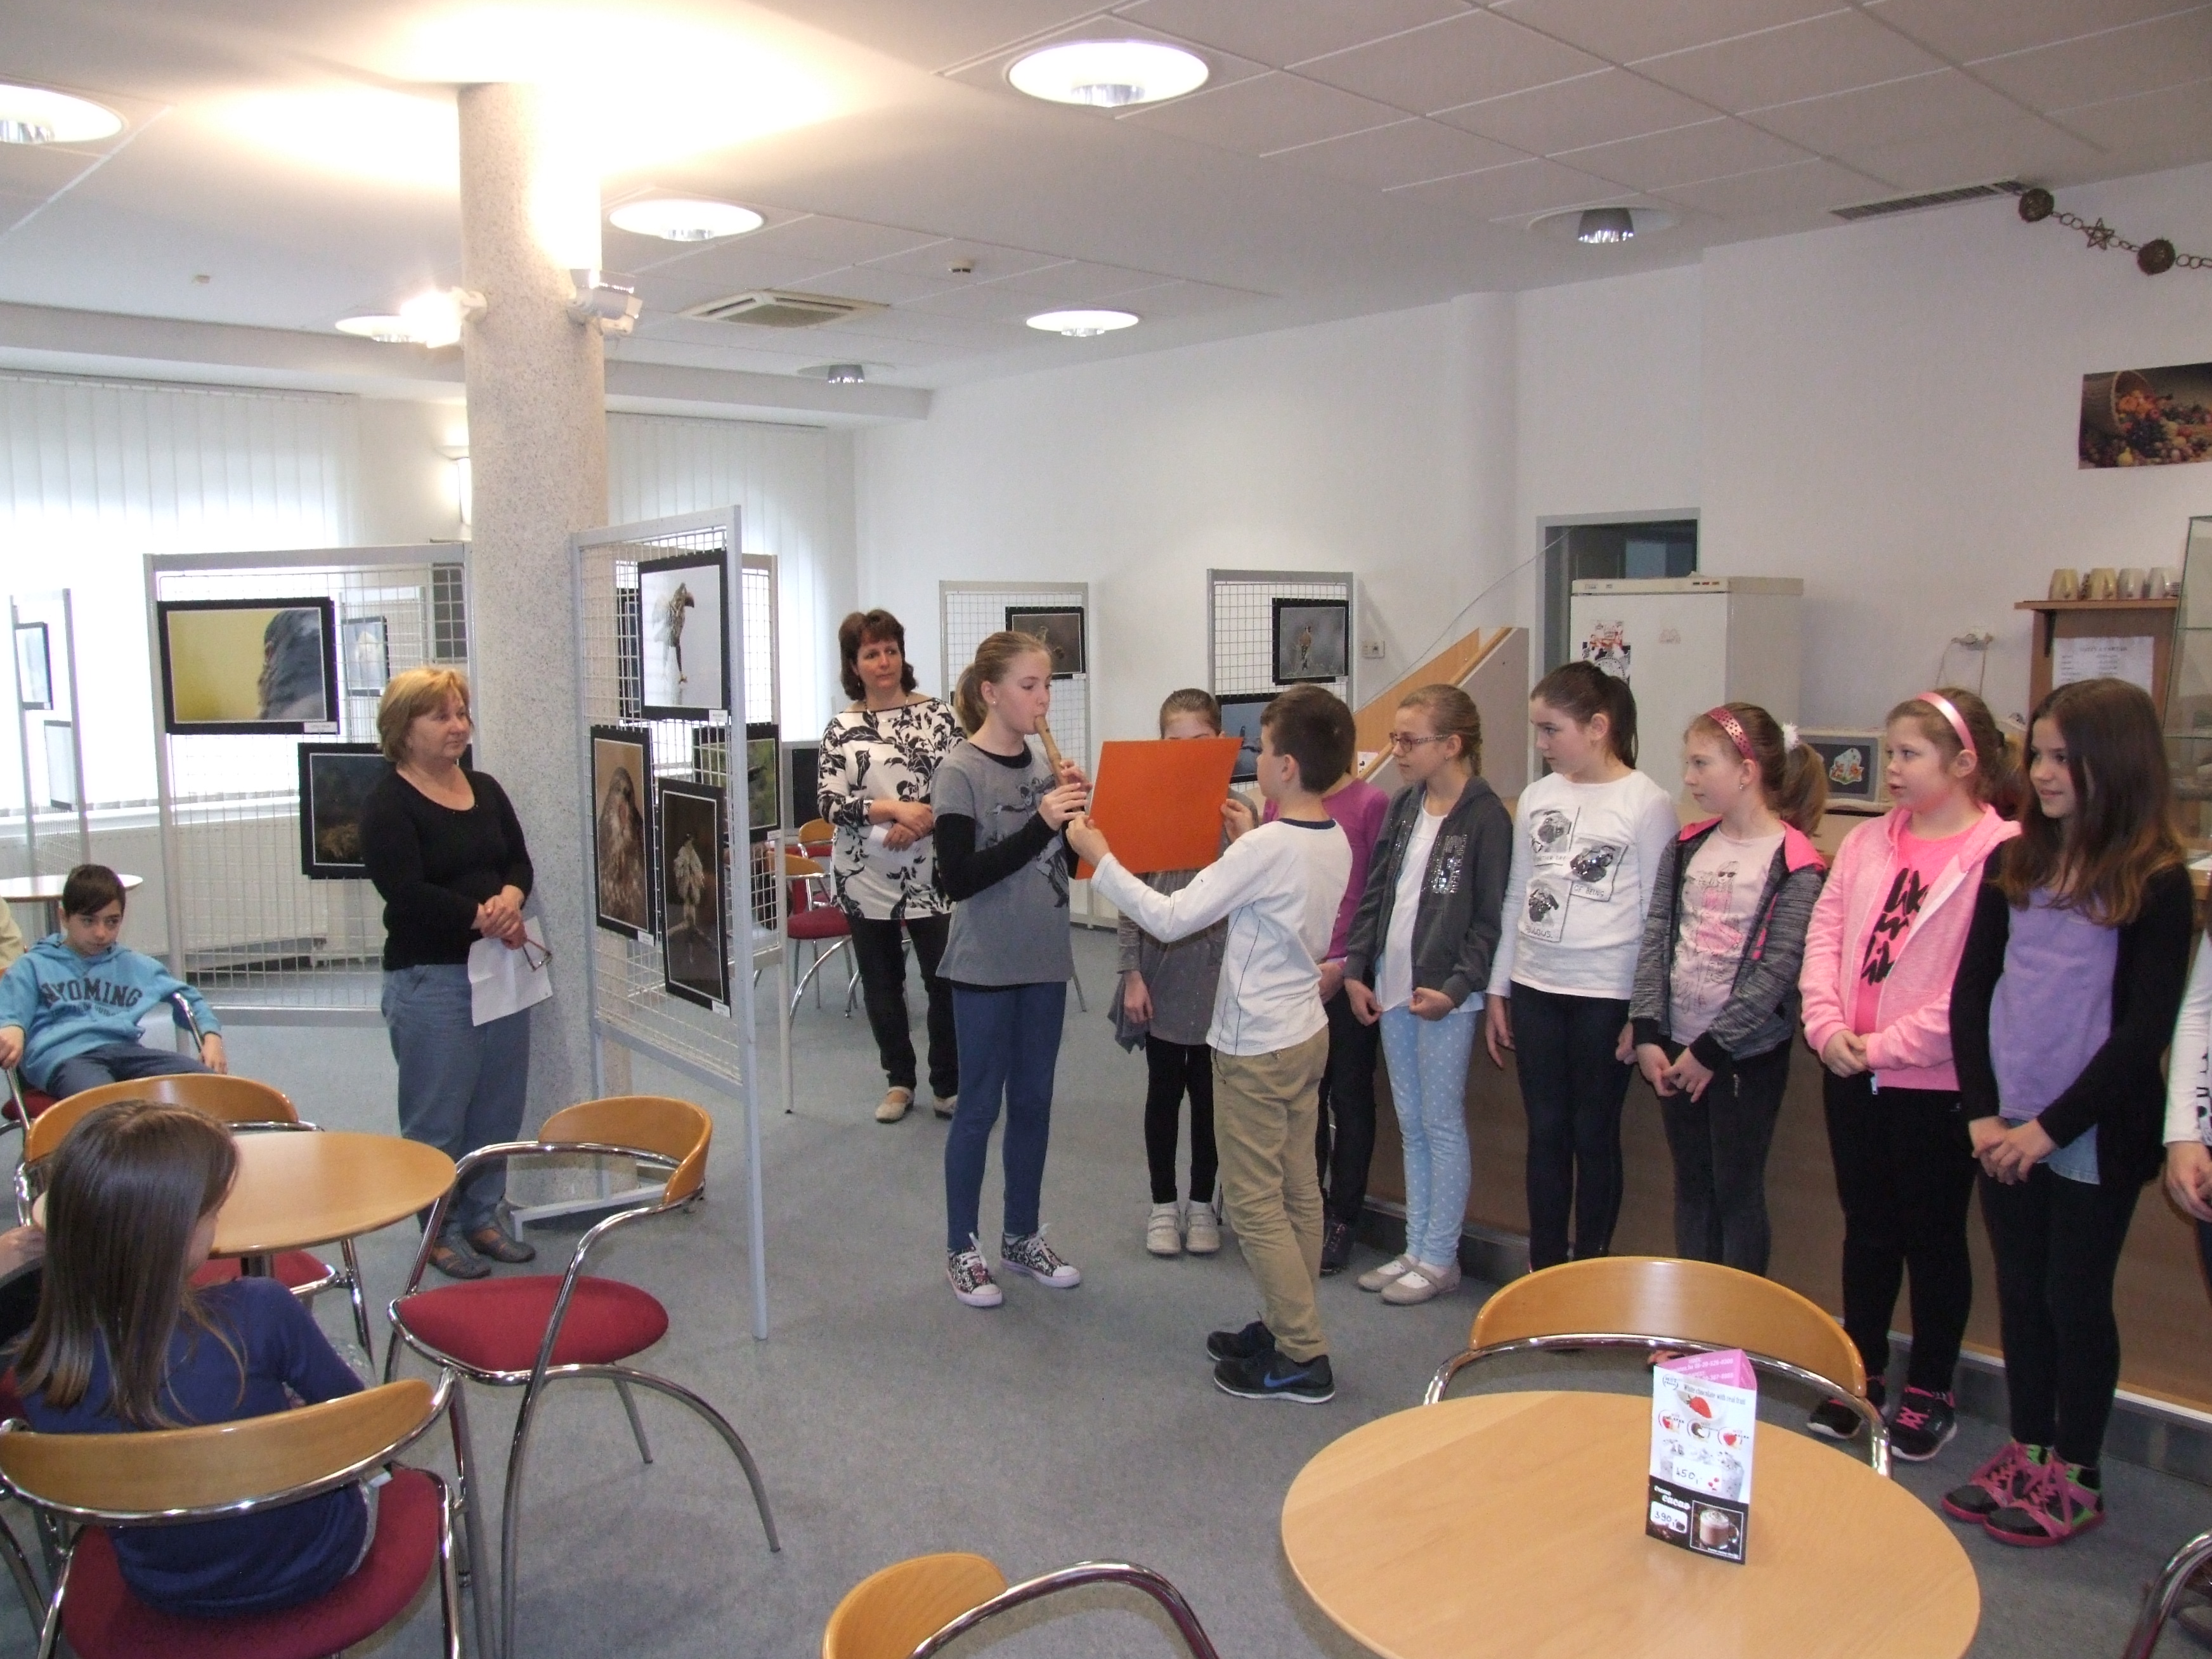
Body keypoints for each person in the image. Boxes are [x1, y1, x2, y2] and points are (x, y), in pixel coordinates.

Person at [1944, 677, 2192, 1547]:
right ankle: (2029, 1447)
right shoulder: (2014, 861)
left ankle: (2077, 1473)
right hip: (2003, 1121)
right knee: (2020, 1292)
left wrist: (2047, 1131)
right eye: (2038, 756)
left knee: (2072, 1298)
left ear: (2112, 764)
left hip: (2088, 1131)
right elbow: (1972, 992)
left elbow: (2142, 1034)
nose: (2042, 774)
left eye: (2062, 759)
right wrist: (1982, 1115)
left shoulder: (2156, 880)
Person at [1072, 685, 1354, 1403]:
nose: (1252, 757)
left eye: (1263, 749)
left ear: (1286, 767)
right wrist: (1248, 835)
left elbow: (1171, 917)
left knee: (1255, 1206)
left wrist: (1102, 860)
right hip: (1303, 1034)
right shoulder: (1329, 836)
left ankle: (1302, 1353)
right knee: (1298, 1190)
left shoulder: (1265, 845)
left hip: (1257, 1047)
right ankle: (1287, 1321)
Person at [16, 1102, 371, 1617]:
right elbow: (357, 1423)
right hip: (317, 1555)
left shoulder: (40, 1367)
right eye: (211, 1213)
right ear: (174, 1234)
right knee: (343, 1367)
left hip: (162, 1585)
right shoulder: (262, 1309)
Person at [1796, 688, 2018, 1457]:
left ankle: (1930, 1384)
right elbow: (1825, 935)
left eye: (1908, 754)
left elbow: (1975, 986)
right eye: (1888, 752)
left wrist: (1886, 1045)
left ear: (1963, 764)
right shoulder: (1866, 842)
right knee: (1866, 1230)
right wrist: (1825, 1026)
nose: (1890, 768)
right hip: (1848, 1068)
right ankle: (1859, 1372)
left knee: (1931, 1237)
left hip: (1934, 1083)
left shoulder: (1999, 853)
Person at [1484, 662, 1674, 1273]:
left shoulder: (1647, 802)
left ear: (1597, 727)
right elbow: (1518, 895)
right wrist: (1499, 987)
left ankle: (1590, 1270)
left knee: (1594, 1135)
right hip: (1536, 984)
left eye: (1551, 730)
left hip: (1606, 994)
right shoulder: (1538, 798)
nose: (1541, 744)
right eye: (1537, 730)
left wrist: (1644, 1013)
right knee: (1546, 1132)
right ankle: (1543, 1271)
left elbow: (1656, 916)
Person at [1630, 704, 1826, 1276]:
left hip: (1741, 1057)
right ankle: (1695, 1315)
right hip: (1677, 1048)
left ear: (1746, 771)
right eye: (1688, 764)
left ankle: (1736, 1321)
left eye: (1701, 764)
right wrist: (1648, 1032)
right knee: (1692, 1187)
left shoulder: (1796, 862)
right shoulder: (1687, 846)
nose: (1688, 778)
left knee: (1737, 1191)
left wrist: (1712, 1051)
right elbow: (1658, 937)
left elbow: (1777, 971)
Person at [359, 667, 536, 1283]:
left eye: (461, 713)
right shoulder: (387, 804)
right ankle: (439, 1230)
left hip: (500, 971)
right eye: (441, 716)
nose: (458, 726)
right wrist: (482, 917)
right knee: (437, 1118)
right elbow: (404, 892)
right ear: (402, 729)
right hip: (431, 980)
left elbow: (518, 861)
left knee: (497, 1109)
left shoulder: (484, 788)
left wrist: (510, 899)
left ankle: (484, 1216)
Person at [932, 631, 1088, 1308]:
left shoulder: (1046, 768)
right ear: (991, 692)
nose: (1042, 699)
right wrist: (1040, 824)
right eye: (1030, 686)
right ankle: (961, 1248)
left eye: (1047, 685)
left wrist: (1076, 813)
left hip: (1044, 959)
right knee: (978, 1108)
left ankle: (1021, 1236)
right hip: (984, 964)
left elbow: (1070, 867)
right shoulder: (959, 771)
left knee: (1033, 1103)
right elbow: (958, 879)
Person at [1344, 685, 1512, 1308]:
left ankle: (1441, 1256)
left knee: (1440, 1124)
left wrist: (1456, 988)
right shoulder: (1404, 805)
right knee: (1411, 1123)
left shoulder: (1485, 818)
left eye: (1409, 740)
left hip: (1444, 997)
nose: (1397, 751)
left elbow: (1488, 921)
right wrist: (1358, 966)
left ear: (1451, 745)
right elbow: (1377, 890)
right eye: (1395, 738)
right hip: (1393, 986)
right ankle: (1415, 1247)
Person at [818, 609, 964, 1124]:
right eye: (871, 654)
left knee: (944, 979)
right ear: (853, 665)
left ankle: (948, 1084)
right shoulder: (841, 728)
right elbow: (829, 803)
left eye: (891, 651)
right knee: (882, 985)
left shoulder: (939, 715)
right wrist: (890, 810)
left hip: (931, 872)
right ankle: (899, 1081)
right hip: (865, 875)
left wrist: (918, 821)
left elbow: (960, 784)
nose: (884, 662)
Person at [1261, 748, 1388, 1276]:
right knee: (1302, 1101)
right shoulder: (1277, 804)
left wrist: (1344, 964)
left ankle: (1343, 1217)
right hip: (1294, 977)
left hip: (1347, 974)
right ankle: (1306, 1210)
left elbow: (1377, 894)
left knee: (1349, 1098)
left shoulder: (1369, 803)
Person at [1117, 689, 1231, 1259]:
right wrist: (1131, 973)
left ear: (1221, 741)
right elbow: (1127, 896)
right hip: (1160, 974)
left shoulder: (1237, 813)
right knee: (1164, 1094)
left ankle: (1203, 1202)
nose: (1187, 752)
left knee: (1210, 1099)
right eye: (1174, 741)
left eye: (1200, 741)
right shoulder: (1146, 807)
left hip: (1218, 980)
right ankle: (1163, 1202)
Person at [0, 864, 224, 1098]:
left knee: (209, 1087)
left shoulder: (134, 965)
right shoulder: (33, 965)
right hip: (65, 1056)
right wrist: (13, 1027)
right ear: (64, 917)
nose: (101, 933)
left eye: (112, 922)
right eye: (89, 921)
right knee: (109, 1105)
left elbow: (187, 998)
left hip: (125, 1052)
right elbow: (10, 1009)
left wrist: (212, 1038)